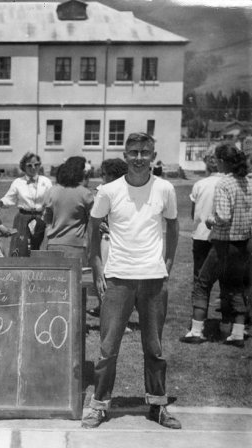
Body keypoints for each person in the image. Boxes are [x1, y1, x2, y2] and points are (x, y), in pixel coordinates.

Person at [82, 132, 181, 430]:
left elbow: (173, 226)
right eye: (133, 152)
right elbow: (93, 226)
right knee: (108, 348)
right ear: (125, 155)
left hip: (152, 279)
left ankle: (158, 406)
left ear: (153, 155)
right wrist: (97, 265)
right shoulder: (109, 190)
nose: (139, 157)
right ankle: (99, 406)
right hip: (118, 278)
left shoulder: (165, 188)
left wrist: (167, 263)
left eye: (145, 152)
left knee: (154, 348)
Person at [180, 143, 252, 348]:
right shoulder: (247, 182)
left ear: (221, 162)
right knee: (235, 285)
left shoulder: (224, 184)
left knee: (203, 283)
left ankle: (196, 331)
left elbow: (223, 215)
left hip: (223, 243)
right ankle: (237, 333)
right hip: (243, 243)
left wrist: (210, 220)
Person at [179, 149, 224, 344]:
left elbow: (193, 215)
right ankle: (228, 325)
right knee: (227, 280)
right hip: (224, 237)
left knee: (200, 280)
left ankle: (198, 324)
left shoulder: (200, 184)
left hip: (201, 236)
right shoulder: (230, 183)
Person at [87, 158, 128, 318]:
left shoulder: (125, 191)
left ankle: (115, 312)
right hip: (105, 239)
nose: (102, 177)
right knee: (102, 274)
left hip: (121, 239)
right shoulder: (100, 191)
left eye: (105, 174)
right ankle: (104, 308)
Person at [43, 156, 94, 265]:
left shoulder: (52, 191)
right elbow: (93, 223)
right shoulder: (85, 194)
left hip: (53, 244)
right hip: (76, 245)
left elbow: (47, 219)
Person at [1, 152, 52, 256]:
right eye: (29, 165)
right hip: (23, 218)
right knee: (21, 247)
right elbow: (9, 199)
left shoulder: (46, 181)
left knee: (39, 246)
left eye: (36, 164)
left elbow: (52, 199)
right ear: (23, 166)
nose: (33, 168)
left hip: (41, 218)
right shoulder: (18, 182)